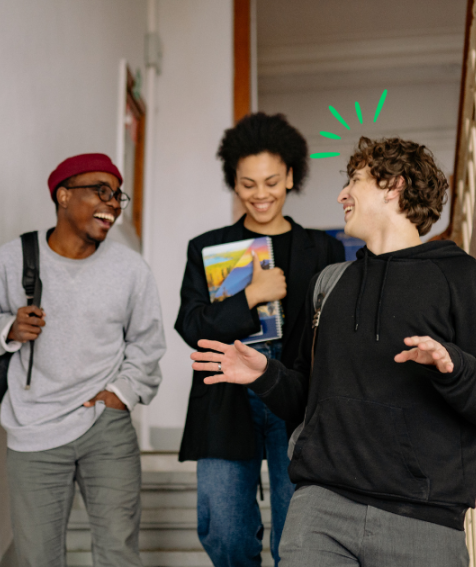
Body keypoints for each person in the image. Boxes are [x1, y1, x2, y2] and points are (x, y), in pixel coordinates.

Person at [190, 137, 476, 566]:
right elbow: (303, 401)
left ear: (394, 186)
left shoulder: (460, 276)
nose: (342, 194)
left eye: (355, 181)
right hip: (319, 512)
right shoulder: (329, 284)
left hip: (422, 521)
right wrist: (264, 375)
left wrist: (453, 366)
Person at [0, 153, 166, 567]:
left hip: (105, 424)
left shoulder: (130, 269)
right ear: (62, 195)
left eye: (117, 196)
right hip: (33, 429)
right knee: (38, 556)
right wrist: (9, 329)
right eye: (101, 191)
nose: (112, 203)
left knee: (118, 551)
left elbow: (148, 343)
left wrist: (120, 395)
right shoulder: (14, 257)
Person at [175, 112, 346, 567]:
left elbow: (333, 330)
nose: (260, 194)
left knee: (298, 536)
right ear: (234, 182)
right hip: (226, 397)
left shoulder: (324, 248)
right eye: (247, 184)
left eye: (271, 181)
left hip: (299, 398)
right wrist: (252, 294)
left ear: (291, 176)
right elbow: (192, 326)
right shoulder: (207, 248)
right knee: (225, 532)